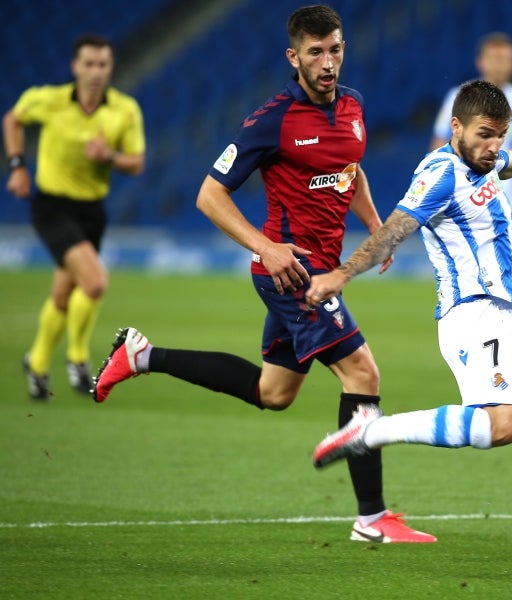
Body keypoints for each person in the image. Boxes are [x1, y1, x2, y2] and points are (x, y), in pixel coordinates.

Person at [91, 5, 435, 544]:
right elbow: (210, 195)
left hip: (321, 265)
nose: (328, 63)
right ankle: (372, 520)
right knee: (363, 375)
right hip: (292, 273)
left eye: (335, 50)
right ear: (292, 56)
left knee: (273, 391)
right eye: (316, 52)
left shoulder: (353, 106)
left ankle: (142, 356)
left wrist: (372, 224)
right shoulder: (271, 119)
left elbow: (350, 167)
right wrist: (265, 247)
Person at [306, 80, 512, 573]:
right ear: (456, 127)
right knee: (502, 426)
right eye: (485, 135)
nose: (494, 147)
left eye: (499, 136)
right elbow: (395, 228)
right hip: (474, 312)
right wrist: (340, 274)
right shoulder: (441, 171)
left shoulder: (486, 161)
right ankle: (373, 429)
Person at [3, 34, 145, 401]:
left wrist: (109, 156)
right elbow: (12, 120)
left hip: (91, 211)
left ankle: (35, 364)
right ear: (75, 67)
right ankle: (77, 359)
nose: (96, 72)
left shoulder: (124, 109)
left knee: (64, 295)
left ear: (110, 68)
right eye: (89, 64)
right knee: (95, 282)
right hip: (52, 206)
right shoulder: (48, 100)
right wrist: (17, 166)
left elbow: (136, 162)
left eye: (103, 64)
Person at [430, 32, 512, 278]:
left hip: (506, 191)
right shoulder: (460, 97)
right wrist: (437, 186)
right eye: (494, 58)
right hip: (470, 194)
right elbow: (438, 142)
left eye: (506, 59)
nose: (499, 64)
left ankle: (499, 304)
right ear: (480, 62)